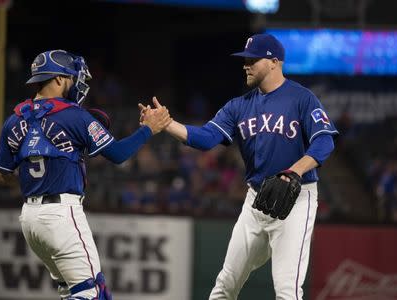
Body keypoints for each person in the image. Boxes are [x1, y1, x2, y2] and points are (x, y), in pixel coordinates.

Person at [140, 34, 338, 299]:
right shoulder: (239, 106)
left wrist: (295, 170)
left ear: (274, 62)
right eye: (245, 60)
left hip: (296, 198)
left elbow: (324, 141)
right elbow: (206, 138)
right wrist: (168, 124)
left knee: (287, 290)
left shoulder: (302, 98)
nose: (246, 65)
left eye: (252, 60)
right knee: (225, 285)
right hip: (256, 199)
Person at [0, 49, 171, 300]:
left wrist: (36, 182)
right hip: (61, 215)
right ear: (58, 79)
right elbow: (118, 154)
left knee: (74, 292)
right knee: (92, 294)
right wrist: (148, 129)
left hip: (29, 220)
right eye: (72, 77)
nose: (76, 83)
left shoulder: (14, 120)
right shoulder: (74, 116)